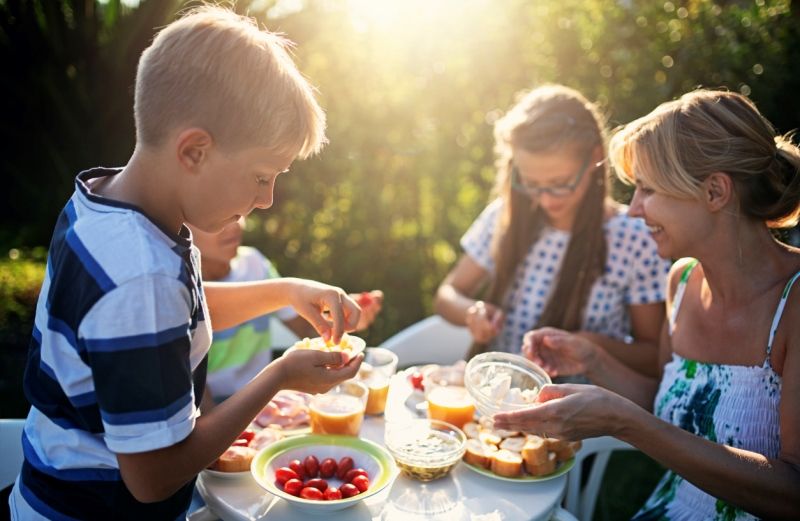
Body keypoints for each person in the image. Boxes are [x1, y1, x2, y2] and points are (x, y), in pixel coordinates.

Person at [10, 7, 364, 520]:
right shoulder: (142, 274)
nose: (267, 200)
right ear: (195, 152)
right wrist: (277, 378)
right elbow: (153, 478)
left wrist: (283, 290)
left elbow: (168, 323)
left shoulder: (110, 207)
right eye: (262, 176)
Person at [494, 89, 800, 520]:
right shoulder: (682, 282)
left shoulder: (795, 303)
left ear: (715, 192)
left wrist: (625, 422)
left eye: (648, 190)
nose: (634, 211)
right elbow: (670, 404)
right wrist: (594, 358)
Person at [434, 85, 671, 376]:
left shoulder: (634, 238)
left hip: (579, 409)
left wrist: (590, 345)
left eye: (560, 183)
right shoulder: (504, 217)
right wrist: (472, 313)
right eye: (531, 183)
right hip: (494, 395)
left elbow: (654, 355)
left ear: (595, 158)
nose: (545, 199)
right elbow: (448, 293)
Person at [187, 218, 383, 405]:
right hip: (216, 410)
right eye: (217, 212)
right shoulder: (179, 287)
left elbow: (307, 329)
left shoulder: (255, 263)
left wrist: (340, 319)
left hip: (263, 398)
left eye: (236, 212)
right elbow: (199, 401)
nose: (233, 225)